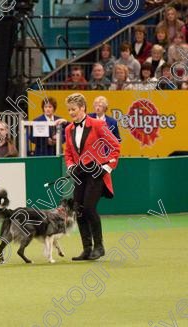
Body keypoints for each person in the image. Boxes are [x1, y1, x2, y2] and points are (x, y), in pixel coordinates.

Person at [64, 93, 120, 261]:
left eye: (73, 109)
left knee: (89, 208)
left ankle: (99, 246)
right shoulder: (68, 129)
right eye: (69, 110)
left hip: (97, 173)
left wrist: (107, 167)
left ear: (83, 108)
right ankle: (87, 249)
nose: (71, 113)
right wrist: (71, 166)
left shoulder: (98, 124)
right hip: (80, 174)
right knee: (78, 210)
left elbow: (115, 146)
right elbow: (68, 152)